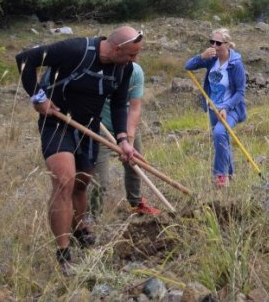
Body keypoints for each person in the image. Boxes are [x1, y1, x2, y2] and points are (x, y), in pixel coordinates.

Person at [16, 26, 144, 270]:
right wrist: (38, 98)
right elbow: (25, 60)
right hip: (57, 124)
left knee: (82, 183)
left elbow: (119, 104)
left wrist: (123, 140)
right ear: (117, 48)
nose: (134, 61)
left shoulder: (123, 68)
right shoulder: (75, 50)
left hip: (88, 128)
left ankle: (78, 228)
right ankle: (63, 253)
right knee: (65, 181)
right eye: (131, 55)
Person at [90, 62, 162, 217]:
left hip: (126, 126)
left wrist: (128, 141)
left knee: (135, 164)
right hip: (99, 129)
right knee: (100, 181)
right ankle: (93, 217)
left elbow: (134, 108)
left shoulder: (135, 72)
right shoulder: (97, 70)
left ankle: (136, 204)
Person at [184, 28, 247, 187]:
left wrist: (226, 107)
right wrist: (201, 56)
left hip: (231, 109)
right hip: (213, 108)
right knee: (222, 140)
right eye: (211, 42)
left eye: (218, 43)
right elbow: (188, 66)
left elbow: (240, 92)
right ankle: (231, 174)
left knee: (219, 134)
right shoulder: (211, 59)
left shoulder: (235, 64)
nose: (214, 45)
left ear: (227, 45)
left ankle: (220, 176)